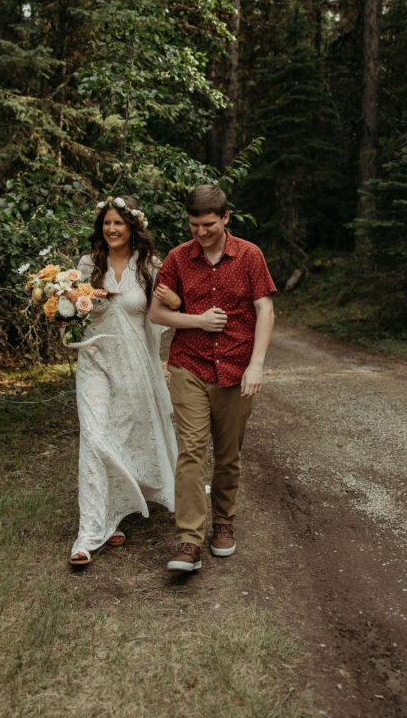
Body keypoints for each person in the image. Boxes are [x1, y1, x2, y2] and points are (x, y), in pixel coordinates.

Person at [148, 184, 276, 573]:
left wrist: (256, 365)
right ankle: (188, 540)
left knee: (227, 453)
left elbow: (265, 310)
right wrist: (197, 321)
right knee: (190, 449)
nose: (200, 233)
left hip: (237, 369)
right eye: (193, 225)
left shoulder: (250, 255)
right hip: (189, 364)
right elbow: (156, 313)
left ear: (225, 218)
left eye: (208, 225)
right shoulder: (177, 258)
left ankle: (224, 522)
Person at [69, 195, 181, 567]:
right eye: (107, 223)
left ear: (133, 226)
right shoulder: (87, 265)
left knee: (126, 435)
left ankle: (116, 511)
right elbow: (71, 312)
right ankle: (89, 532)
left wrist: (176, 302)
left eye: (119, 222)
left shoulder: (150, 266)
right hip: (95, 363)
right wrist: (61, 309)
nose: (112, 229)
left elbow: (165, 313)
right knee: (95, 437)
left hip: (135, 366)